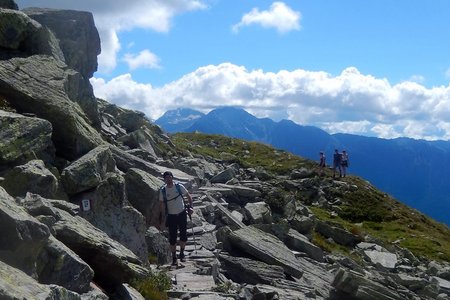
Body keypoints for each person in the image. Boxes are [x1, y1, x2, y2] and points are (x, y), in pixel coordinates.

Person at [159, 171, 193, 266]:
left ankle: (181, 253)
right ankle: (174, 257)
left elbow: (188, 196)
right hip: (171, 216)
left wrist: (191, 207)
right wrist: (162, 218)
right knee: (172, 238)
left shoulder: (179, 186)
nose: (168, 179)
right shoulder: (163, 191)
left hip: (182, 214)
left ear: (172, 178)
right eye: (166, 178)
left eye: (169, 177)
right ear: (164, 179)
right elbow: (161, 205)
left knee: (183, 236)